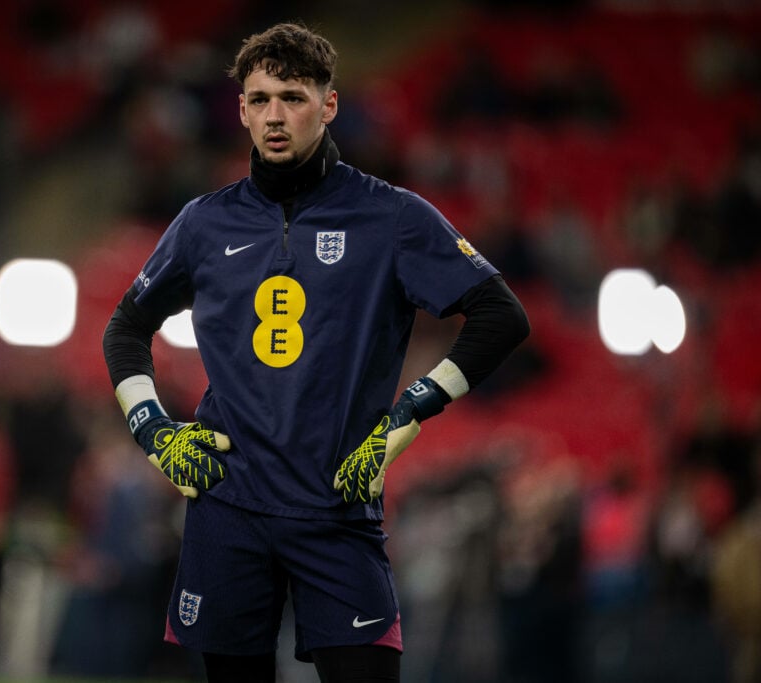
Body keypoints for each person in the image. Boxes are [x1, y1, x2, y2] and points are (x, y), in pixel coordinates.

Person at [102, 22, 530, 683]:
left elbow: (501, 315)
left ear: (328, 105)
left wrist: (412, 409)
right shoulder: (203, 222)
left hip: (337, 504)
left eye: (294, 97)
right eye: (261, 98)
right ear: (241, 109)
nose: (276, 116)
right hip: (228, 503)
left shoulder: (391, 216)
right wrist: (155, 430)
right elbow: (124, 329)